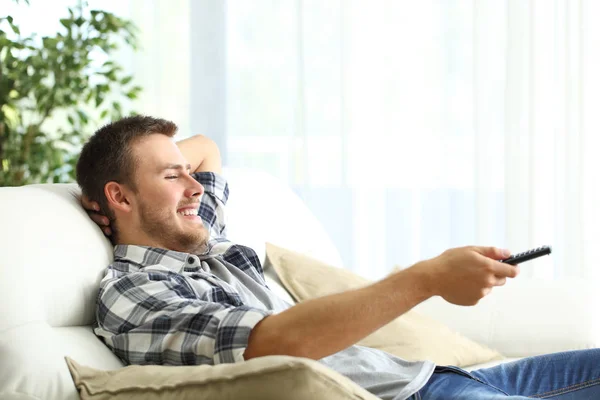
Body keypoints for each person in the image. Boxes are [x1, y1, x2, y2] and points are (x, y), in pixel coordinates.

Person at [77, 115, 600, 400]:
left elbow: (206, 148)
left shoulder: (196, 234)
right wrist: (429, 277)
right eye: (173, 176)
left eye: (185, 173)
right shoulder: (134, 292)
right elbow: (274, 345)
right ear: (121, 197)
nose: (195, 186)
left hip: (441, 375)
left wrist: (157, 171)